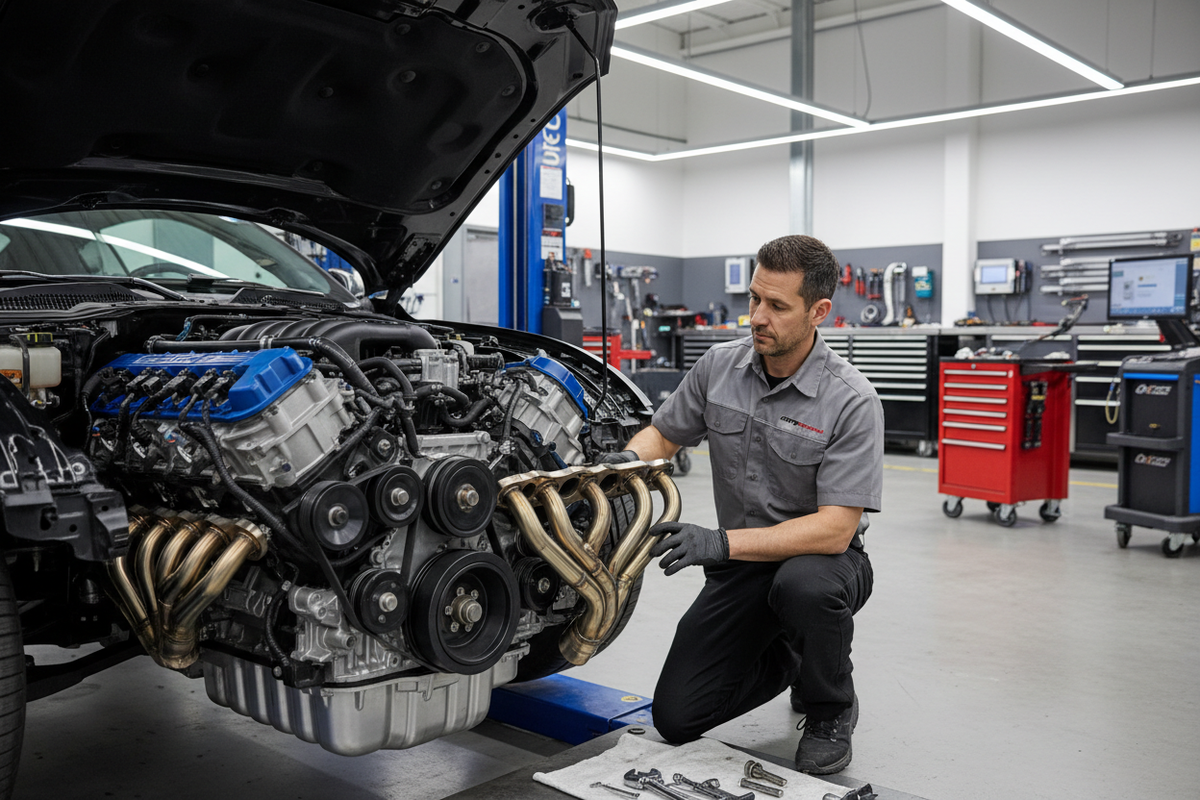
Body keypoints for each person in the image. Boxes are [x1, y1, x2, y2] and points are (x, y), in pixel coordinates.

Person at [602, 234, 883, 774]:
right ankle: (790, 655)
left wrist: (719, 542)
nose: (757, 316)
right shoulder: (718, 367)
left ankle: (829, 707)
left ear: (818, 311)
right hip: (743, 569)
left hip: (822, 563)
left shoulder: (851, 400)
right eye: (755, 299)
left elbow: (833, 531)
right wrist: (623, 466)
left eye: (777, 306)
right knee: (677, 717)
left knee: (803, 588)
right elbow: (662, 437)